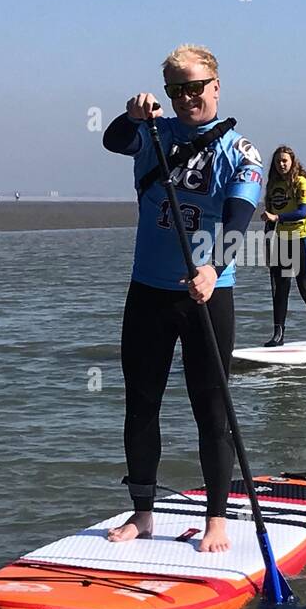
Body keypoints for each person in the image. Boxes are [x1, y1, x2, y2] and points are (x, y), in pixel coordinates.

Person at [102, 44, 263, 553]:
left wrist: (215, 268)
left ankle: (217, 518)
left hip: (207, 295)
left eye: (195, 87)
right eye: (176, 90)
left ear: (216, 86)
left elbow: (240, 219)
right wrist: (131, 114)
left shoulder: (241, 153)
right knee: (141, 403)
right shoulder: (154, 134)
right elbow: (112, 140)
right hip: (148, 291)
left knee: (210, 409)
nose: (187, 97)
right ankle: (143, 513)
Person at [261, 146, 306, 346]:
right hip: (281, 242)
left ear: (292, 162)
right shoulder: (273, 186)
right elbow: (270, 219)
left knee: (305, 287)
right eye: (278, 162)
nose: (281, 165)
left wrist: (277, 216)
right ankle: (278, 335)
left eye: (285, 161)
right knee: (280, 289)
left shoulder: (301, 183)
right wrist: (267, 244)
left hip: (301, 239)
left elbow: (302, 212)